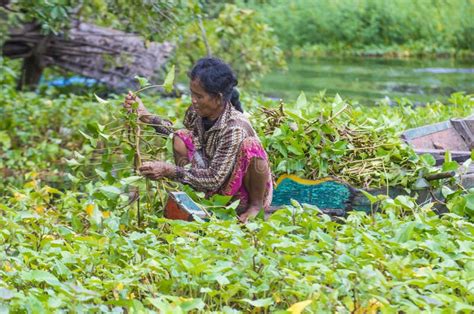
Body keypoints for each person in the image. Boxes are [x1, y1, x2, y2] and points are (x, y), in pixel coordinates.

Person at [124, 57, 273, 222]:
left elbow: (214, 179)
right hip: (210, 185)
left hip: (236, 190)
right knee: (180, 137)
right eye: (192, 94)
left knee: (251, 146)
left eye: (199, 96)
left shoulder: (234, 128)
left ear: (218, 98)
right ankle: (195, 197)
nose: (193, 100)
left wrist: (169, 170)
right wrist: (146, 116)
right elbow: (174, 133)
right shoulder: (197, 111)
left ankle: (255, 207)